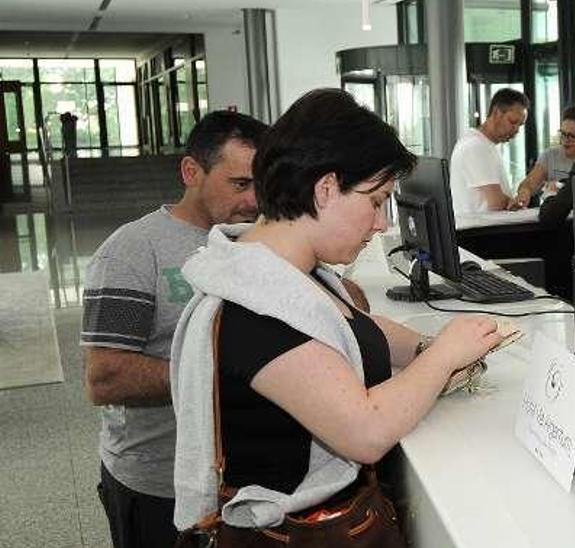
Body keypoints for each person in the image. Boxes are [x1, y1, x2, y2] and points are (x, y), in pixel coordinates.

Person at [169, 89, 502, 533]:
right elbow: (365, 431)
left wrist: (427, 346)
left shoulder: (289, 273)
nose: (382, 223)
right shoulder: (252, 308)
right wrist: (444, 356)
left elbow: (355, 330)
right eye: (376, 200)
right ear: (325, 189)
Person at [82, 110, 267, 548]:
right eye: (240, 184)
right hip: (158, 486)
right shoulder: (131, 252)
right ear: (191, 171)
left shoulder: (258, 240)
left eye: (263, 183)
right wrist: (228, 376)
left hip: (245, 485)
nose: (255, 200)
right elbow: (104, 377)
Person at [449, 88, 529, 214]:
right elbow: (496, 202)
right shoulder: (476, 146)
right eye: (513, 122)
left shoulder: (481, 143)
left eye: (520, 125)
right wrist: (516, 204)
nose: (516, 130)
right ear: (497, 112)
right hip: (480, 230)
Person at [510, 104, 575, 209]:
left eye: (572, 136)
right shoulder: (550, 156)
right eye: (563, 134)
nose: (565, 140)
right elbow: (529, 183)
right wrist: (524, 192)